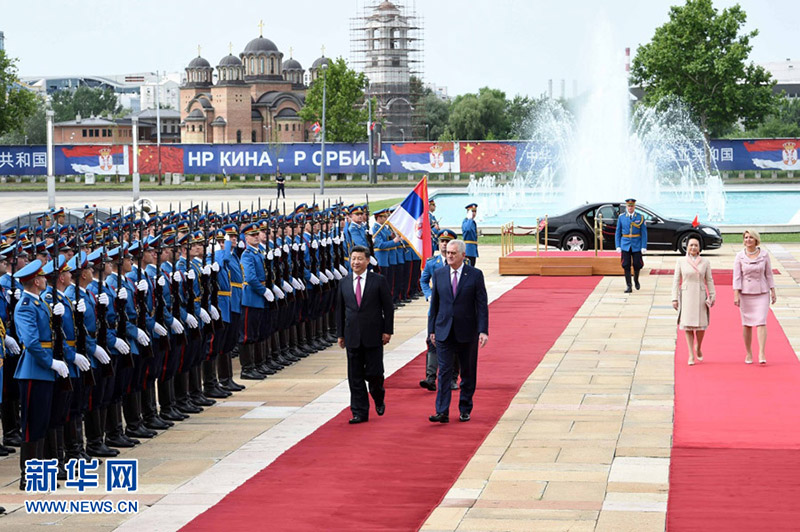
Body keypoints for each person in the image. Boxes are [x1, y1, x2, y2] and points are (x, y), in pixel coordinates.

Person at [427, 239, 488, 423]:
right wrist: (431, 330)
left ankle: (465, 408)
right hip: (444, 330)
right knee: (444, 372)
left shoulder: (475, 275)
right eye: (448, 253)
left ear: (463, 255)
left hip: (467, 331)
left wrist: (483, 330)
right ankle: (442, 411)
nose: (450, 256)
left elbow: (481, 305)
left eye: (453, 253)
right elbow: (435, 305)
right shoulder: (439, 274)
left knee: (467, 372)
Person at [336, 245, 393, 425]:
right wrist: (340, 334)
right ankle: (359, 412)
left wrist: (387, 330)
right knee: (355, 377)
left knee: (374, 374)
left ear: (367, 261)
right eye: (353, 259)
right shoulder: (344, 282)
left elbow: (388, 307)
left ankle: (378, 396)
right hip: (352, 335)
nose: (356, 262)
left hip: (373, 335)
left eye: (360, 259)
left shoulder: (378, 280)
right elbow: (339, 310)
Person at [419, 229, 459, 391]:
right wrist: (429, 295)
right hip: (436, 310)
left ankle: (452, 378)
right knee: (432, 341)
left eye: (447, 242)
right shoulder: (432, 263)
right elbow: (423, 281)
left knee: (454, 343)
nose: (444, 245)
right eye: (442, 241)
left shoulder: (461, 263)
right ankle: (430, 377)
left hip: (453, 310)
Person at [733, 229, 776, 365]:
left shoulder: (764, 255)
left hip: (762, 292)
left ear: (756, 239)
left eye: (751, 237)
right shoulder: (739, 256)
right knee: (747, 324)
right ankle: (748, 352)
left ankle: (762, 352)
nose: (748, 240)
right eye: (746, 238)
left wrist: (772, 290)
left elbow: (769, 274)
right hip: (746, 293)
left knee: (761, 321)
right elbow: (737, 277)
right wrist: (736, 294)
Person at [671, 236, 715, 365]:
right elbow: (676, 280)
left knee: (701, 326)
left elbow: (709, 280)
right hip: (686, 294)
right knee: (688, 326)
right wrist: (674, 298)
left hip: (701, 294)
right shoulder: (681, 261)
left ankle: (698, 346)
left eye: (696, 245)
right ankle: (690, 354)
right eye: (691, 245)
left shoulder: (705, 262)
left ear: (699, 247)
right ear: (687, 246)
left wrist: (712, 295)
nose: (693, 247)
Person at [615, 198, 648, 293]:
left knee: (637, 264)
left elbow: (644, 233)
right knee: (626, 265)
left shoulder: (640, 217)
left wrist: (643, 246)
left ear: (634, 206)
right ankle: (629, 286)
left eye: (632, 206)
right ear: (626, 206)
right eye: (628, 206)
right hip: (625, 244)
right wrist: (618, 245)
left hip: (636, 244)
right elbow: (618, 232)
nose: (630, 208)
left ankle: (636, 280)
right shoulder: (621, 217)